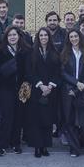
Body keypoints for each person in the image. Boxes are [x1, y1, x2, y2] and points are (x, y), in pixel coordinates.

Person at [0, 27, 28, 156]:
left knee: (18, 117)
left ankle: (15, 143)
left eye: (14, 35)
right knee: (6, 117)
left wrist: (26, 89)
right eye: (9, 35)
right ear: (6, 38)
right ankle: (2, 145)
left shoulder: (25, 51)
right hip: (5, 89)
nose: (12, 37)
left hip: (21, 89)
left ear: (19, 36)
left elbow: (28, 72)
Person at [60, 30, 84, 157]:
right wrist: (75, 84)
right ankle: (74, 148)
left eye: (76, 36)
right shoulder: (64, 54)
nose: (74, 38)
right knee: (70, 122)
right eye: (71, 37)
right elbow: (63, 73)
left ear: (80, 37)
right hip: (68, 91)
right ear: (68, 39)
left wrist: (79, 87)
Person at [26, 27, 60, 158]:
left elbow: (58, 72)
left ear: (49, 37)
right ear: (37, 37)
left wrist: (50, 86)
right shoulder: (31, 53)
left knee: (47, 120)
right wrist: (41, 86)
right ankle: (37, 147)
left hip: (50, 92)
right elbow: (29, 72)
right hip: (36, 91)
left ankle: (45, 146)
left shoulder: (55, 52)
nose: (44, 37)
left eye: (46, 35)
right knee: (36, 120)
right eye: (41, 35)